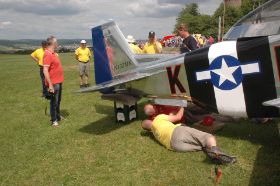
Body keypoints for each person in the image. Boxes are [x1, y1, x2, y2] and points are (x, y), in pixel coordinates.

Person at [141, 107, 237, 164]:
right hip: (177, 132)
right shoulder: (158, 118)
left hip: (175, 146)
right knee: (208, 137)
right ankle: (215, 150)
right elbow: (177, 117)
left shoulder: (154, 133)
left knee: (202, 146)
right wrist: (183, 105)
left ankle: (215, 157)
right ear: (151, 120)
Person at [43, 36, 64, 127]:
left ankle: (58, 116)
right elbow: (45, 70)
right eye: (57, 42)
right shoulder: (47, 54)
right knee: (54, 102)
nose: (58, 44)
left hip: (58, 81)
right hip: (53, 83)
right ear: (53, 43)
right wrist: (50, 85)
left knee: (58, 101)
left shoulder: (53, 54)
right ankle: (54, 120)